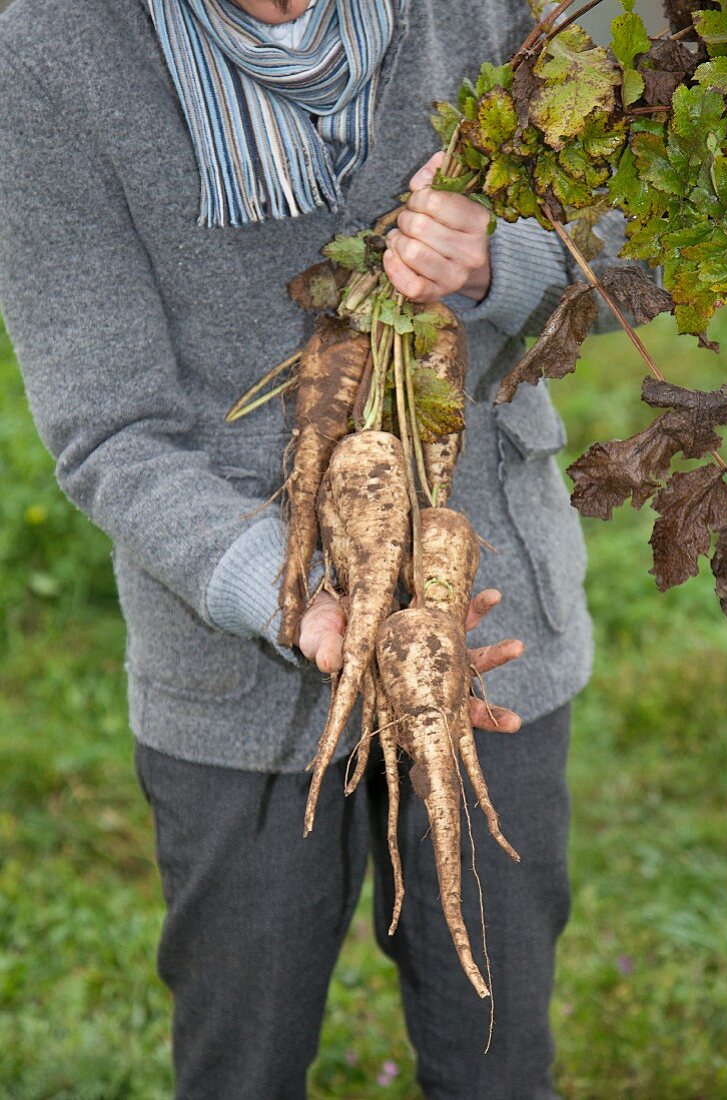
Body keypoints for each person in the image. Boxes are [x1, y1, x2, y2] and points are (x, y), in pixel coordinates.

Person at [0, 1, 605, 1096]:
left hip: (483, 621)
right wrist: (289, 594)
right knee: (244, 1058)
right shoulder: (45, 51)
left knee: (495, 1060)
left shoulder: (491, 9)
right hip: (231, 670)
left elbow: (619, 251)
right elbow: (110, 427)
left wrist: (492, 264)